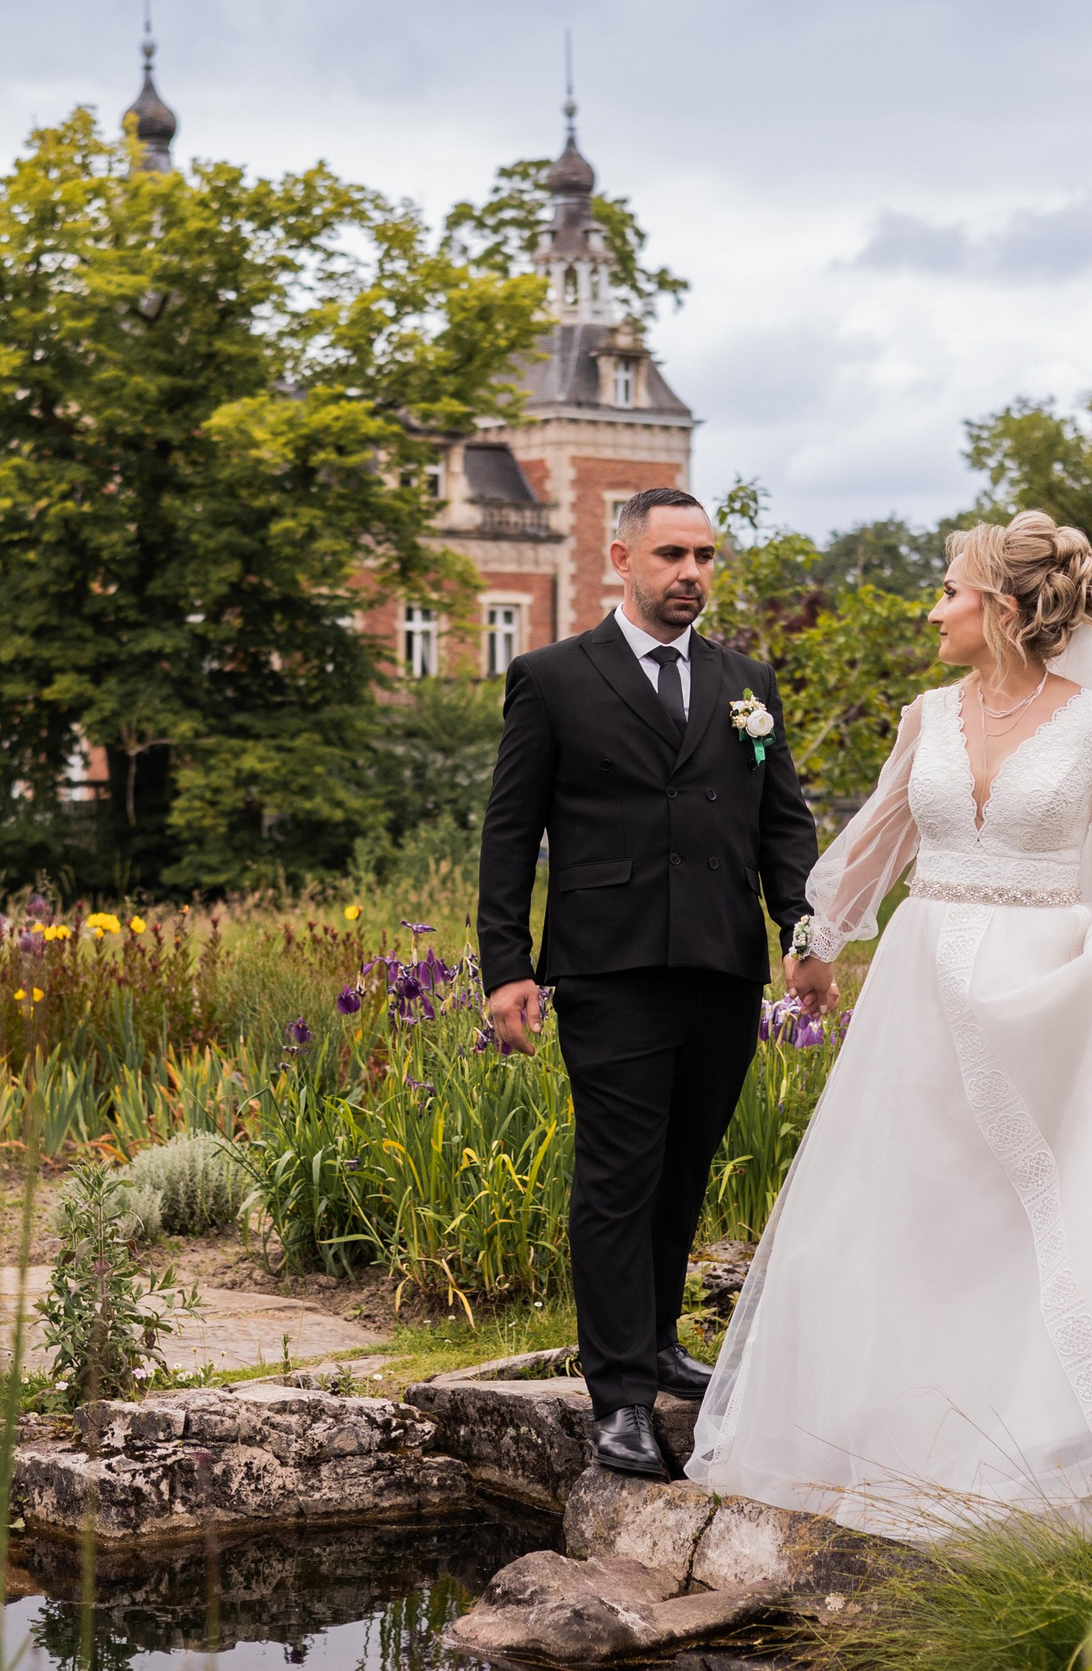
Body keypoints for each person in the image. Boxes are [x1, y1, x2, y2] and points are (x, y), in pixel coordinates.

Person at [687, 509, 1092, 1537]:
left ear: (1006, 608)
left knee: (1030, 1210)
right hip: (921, 985)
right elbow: (878, 838)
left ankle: (1053, 1430)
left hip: (1046, 992)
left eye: (950, 591)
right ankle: (890, 1435)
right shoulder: (924, 717)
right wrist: (818, 944)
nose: (933, 608)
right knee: (920, 1199)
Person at [479, 485, 827, 1479]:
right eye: (672, 554)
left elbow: (782, 825)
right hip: (610, 963)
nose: (692, 574)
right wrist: (506, 964)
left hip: (721, 967)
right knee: (619, 1174)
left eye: (705, 557)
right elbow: (511, 832)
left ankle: (661, 1343)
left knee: (683, 1168)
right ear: (621, 561)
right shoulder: (552, 679)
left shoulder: (742, 679)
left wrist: (804, 933)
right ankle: (621, 1393)